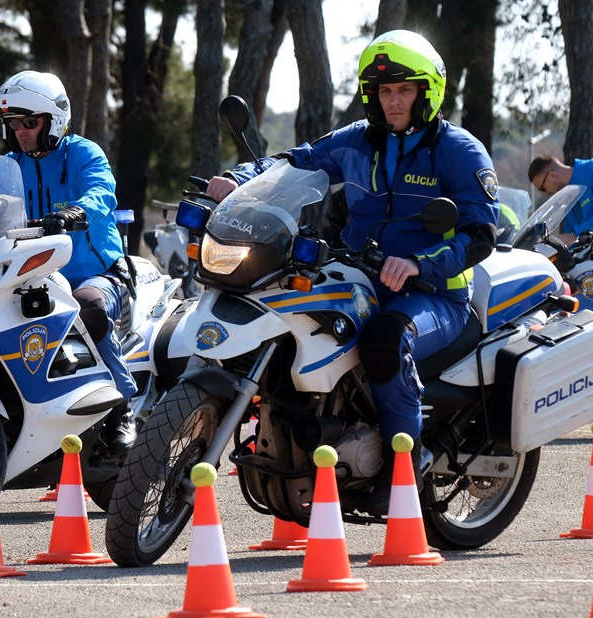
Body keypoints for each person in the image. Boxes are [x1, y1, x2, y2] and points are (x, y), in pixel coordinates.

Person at [206, 30, 499, 514]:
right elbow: (294, 162)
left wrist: (420, 263)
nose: (393, 101)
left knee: (385, 341)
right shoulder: (359, 140)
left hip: (434, 294)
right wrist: (236, 181)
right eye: (385, 91)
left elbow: (480, 235)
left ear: (428, 92)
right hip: (360, 277)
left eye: (404, 90)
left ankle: (407, 463)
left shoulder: (458, 151)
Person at [0, 70, 137, 456]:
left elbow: (101, 192)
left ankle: (121, 409)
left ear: (53, 121)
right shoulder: (8, 167)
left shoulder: (83, 153)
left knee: (87, 307)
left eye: (29, 122)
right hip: (32, 278)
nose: (20, 132)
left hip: (95, 272)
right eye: (13, 124)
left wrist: (76, 210)